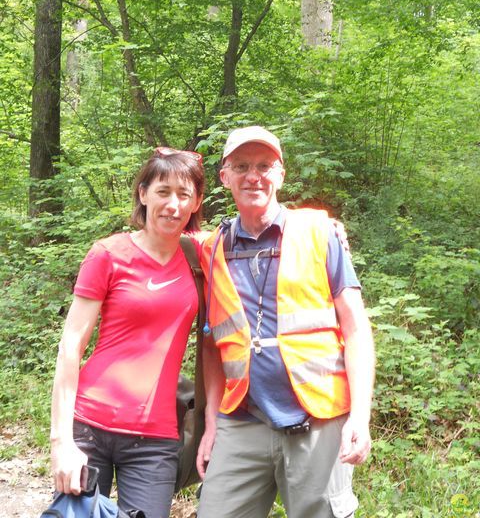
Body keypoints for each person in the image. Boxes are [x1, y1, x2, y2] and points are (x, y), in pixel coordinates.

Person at [196, 126, 375, 518]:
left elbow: (356, 329)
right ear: (224, 177)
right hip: (241, 420)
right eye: (241, 166)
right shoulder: (212, 248)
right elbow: (213, 344)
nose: (253, 175)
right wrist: (211, 423)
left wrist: (360, 414)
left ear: (281, 174)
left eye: (264, 165)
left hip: (318, 418)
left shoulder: (318, 231)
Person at [50, 147, 204, 518]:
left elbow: (260, 232)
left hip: (156, 437)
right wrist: (62, 442)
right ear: (143, 194)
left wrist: (324, 226)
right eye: (163, 191)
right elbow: (72, 346)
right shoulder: (108, 254)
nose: (173, 204)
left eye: (184, 195)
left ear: (197, 201)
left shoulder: (202, 255)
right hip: (89, 424)